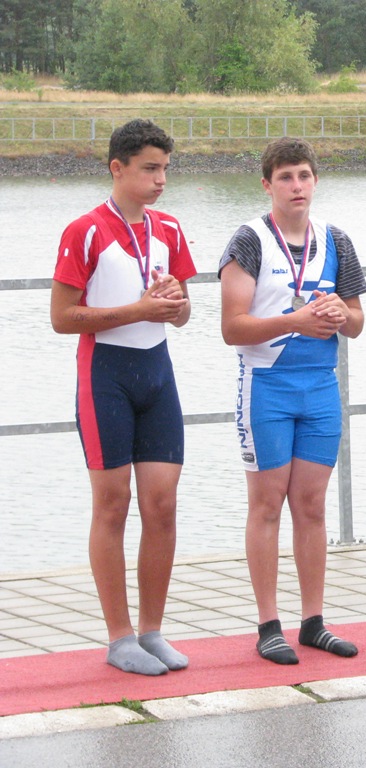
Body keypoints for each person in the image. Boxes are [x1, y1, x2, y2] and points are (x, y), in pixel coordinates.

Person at [51, 118, 194, 676]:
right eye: (150, 169)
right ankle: (119, 637)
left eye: (166, 169)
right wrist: (138, 309)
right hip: (104, 376)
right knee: (113, 505)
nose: (161, 180)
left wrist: (173, 303)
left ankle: (152, 631)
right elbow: (63, 318)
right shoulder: (84, 230)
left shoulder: (170, 228)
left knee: (162, 504)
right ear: (118, 168)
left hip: (158, 374)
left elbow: (182, 314)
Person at [219, 138, 366, 664]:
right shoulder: (249, 240)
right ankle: (268, 625)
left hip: (320, 386)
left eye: (304, 175)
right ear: (267, 185)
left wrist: (339, 314)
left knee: (311, 505)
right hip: (268, 386)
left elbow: (357, 322)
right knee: (267, 505)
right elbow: (232, 328)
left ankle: (314, 622)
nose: (296, 186)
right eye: (285, 177)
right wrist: (295, 321)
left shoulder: (336, 239)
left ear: (316, 181)